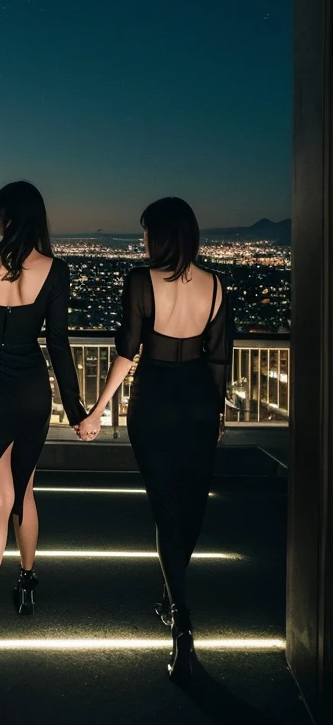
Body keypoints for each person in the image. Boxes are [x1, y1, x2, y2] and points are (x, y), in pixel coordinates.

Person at [76, 197, 233, 683]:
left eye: (146, 232)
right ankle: (174, 597)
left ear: (160, 236)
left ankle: (181, 621)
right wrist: (218, 411)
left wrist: (96, 412)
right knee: (190, 509)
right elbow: (219, 360)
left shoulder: (140, 282)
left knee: (165, 508)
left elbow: (127, 352)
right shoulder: (215, 286)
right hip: (199, 408)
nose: (142, 241)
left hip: (154, 406)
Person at [0, 181, 88, 652]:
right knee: (25, 490)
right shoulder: (55, 270)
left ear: (6, 217)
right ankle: (28, 581)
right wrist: (76, 411)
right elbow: (58, 345)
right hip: (32, 391)